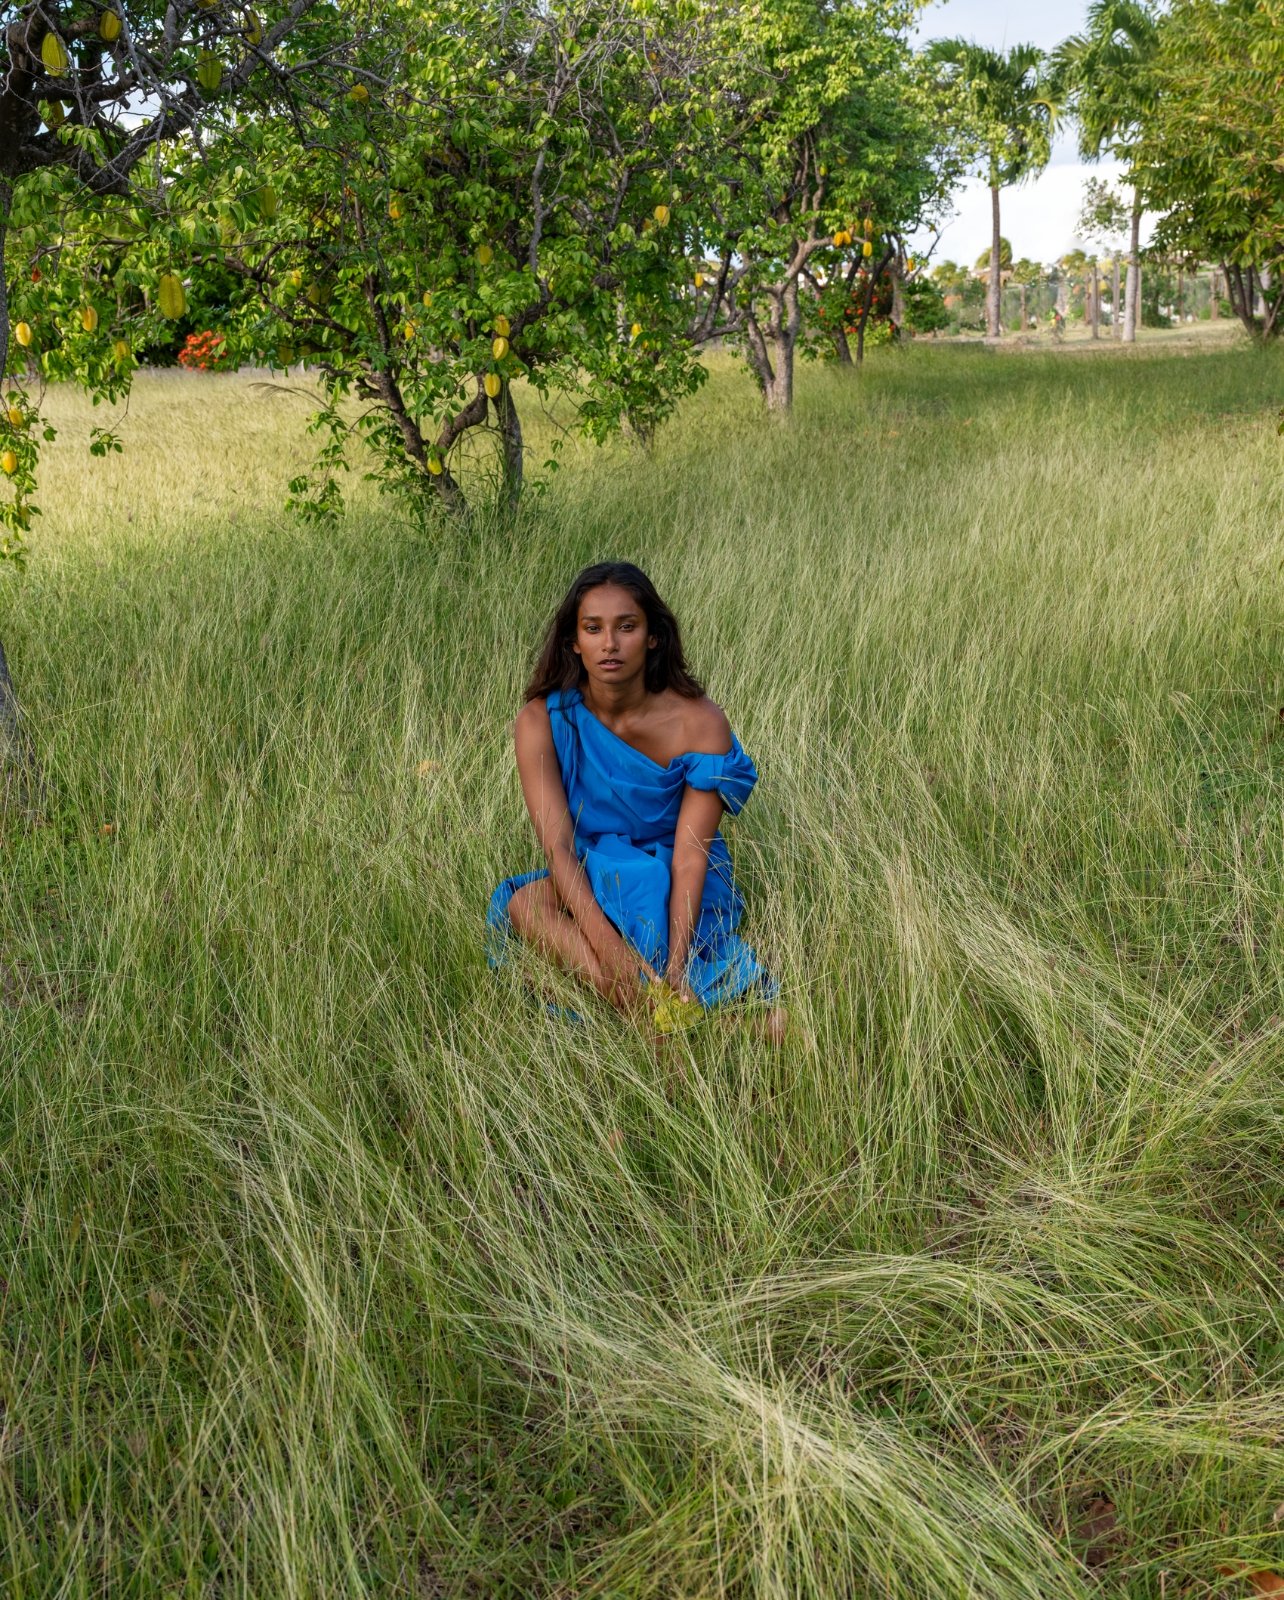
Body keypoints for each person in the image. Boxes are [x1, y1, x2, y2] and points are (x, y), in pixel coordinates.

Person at [487, 561, 786, 1042]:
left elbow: (692, 854)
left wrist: (678, 959)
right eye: (593, 628)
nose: (609, 644)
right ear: (573, 642)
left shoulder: (699, 722)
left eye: (627, 627)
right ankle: (651, 1013)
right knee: (524, 903)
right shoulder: (542, 720)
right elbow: (558, 848)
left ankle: (668, 1009)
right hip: (596, 871)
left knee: (648, 886)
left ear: (652, 637)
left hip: (678, 880)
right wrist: (608, 949)